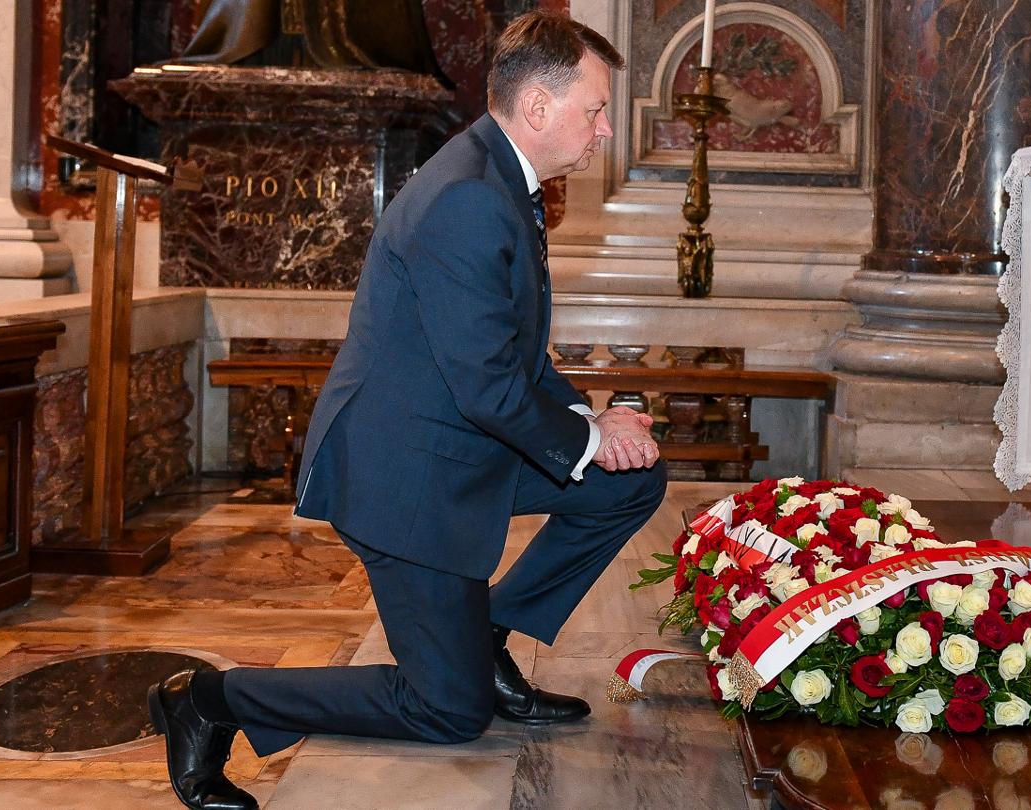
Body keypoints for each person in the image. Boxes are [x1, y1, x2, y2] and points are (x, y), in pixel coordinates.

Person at [144, 13, 662, 810]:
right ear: (537, 108)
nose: (605, 129)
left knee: (626, 482)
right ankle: (213, 700)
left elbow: (510, 355)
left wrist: (592, 425)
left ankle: (481, 642)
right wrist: (591, 433)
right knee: (446, 711)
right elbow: (489, 388)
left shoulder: (501, 178)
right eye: (595, 109)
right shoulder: (470, 200)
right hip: (405, 478)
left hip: (456, 444)